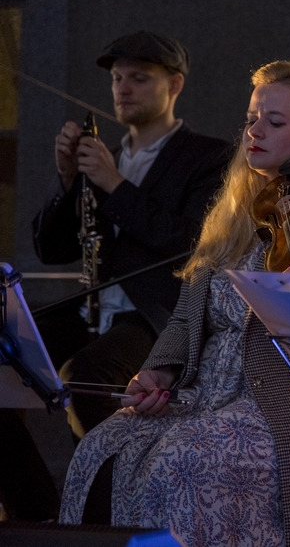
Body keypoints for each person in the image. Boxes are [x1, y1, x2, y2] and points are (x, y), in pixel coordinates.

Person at [58, 61, 290, 547]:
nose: (255, 130)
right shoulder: (232, 220)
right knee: (100, 448)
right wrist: (158, 372)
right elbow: (186, 318)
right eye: (251, 119)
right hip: (205, 394)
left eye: (275, 121)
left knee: (185, 461)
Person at [0, 31, 231, 521]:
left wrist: (115, 184)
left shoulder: (208, 157)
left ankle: (107, 514)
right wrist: (68, 181)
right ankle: (40, 515)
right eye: (117, 78)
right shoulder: (105, 155)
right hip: (94, 308)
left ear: (175, 85)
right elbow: (52, 248)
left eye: (139, 78)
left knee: (85, 374)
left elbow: (195, 242)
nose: (123, 88)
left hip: (158, 315)